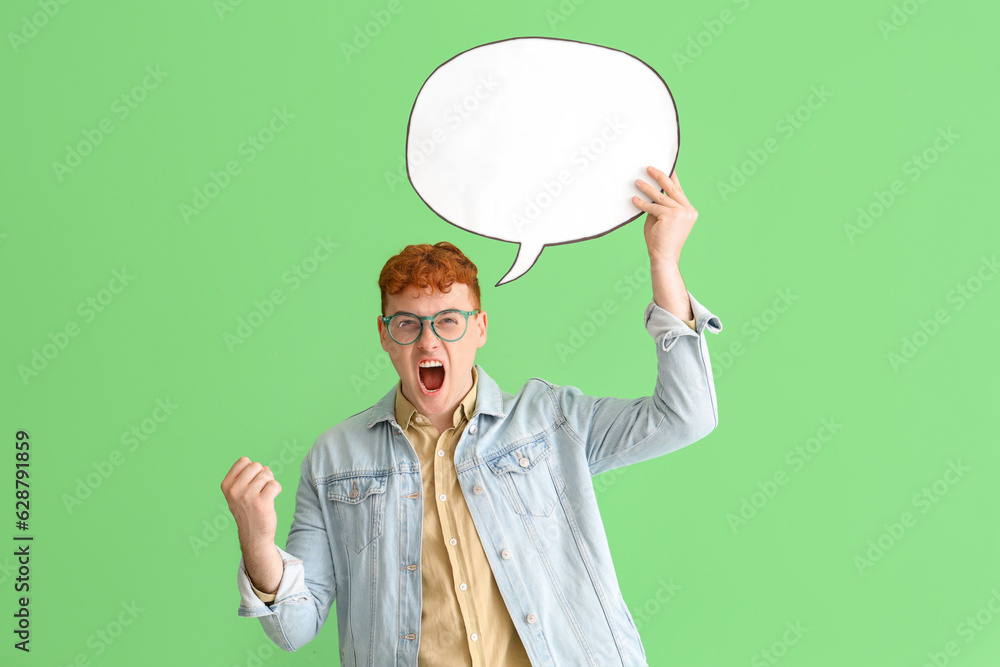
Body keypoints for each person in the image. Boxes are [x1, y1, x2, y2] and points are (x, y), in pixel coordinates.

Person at [221, 165, 723, 666]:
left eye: (447, 320)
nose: (428, 341)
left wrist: (664, 262)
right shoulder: (335, 458)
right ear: (383, 335)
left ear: (480, 327)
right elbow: (293, 628)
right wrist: (257, 541)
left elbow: (685, 416)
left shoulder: (551, 421)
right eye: (407, 324)